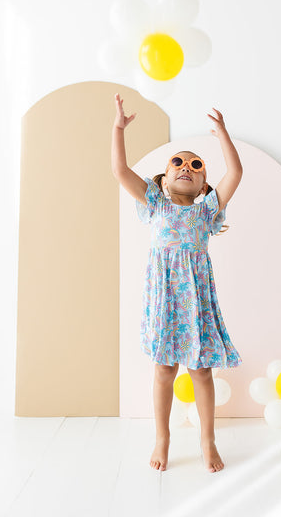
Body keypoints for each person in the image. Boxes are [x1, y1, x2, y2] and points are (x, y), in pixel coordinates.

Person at [111, 92, 243, 473]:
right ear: (165, 179)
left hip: (196, 302)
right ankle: (162, 436)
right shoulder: (155, 204)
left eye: (196, 165)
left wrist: (222, 136)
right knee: (164, 369)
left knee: (201, 371)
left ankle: (207, 439)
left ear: (203, 184)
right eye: (178, 163)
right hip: (164, 299)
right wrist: (118, 129)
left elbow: (234, 175)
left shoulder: (207, 211)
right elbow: (120, 171)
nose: (186, 167)